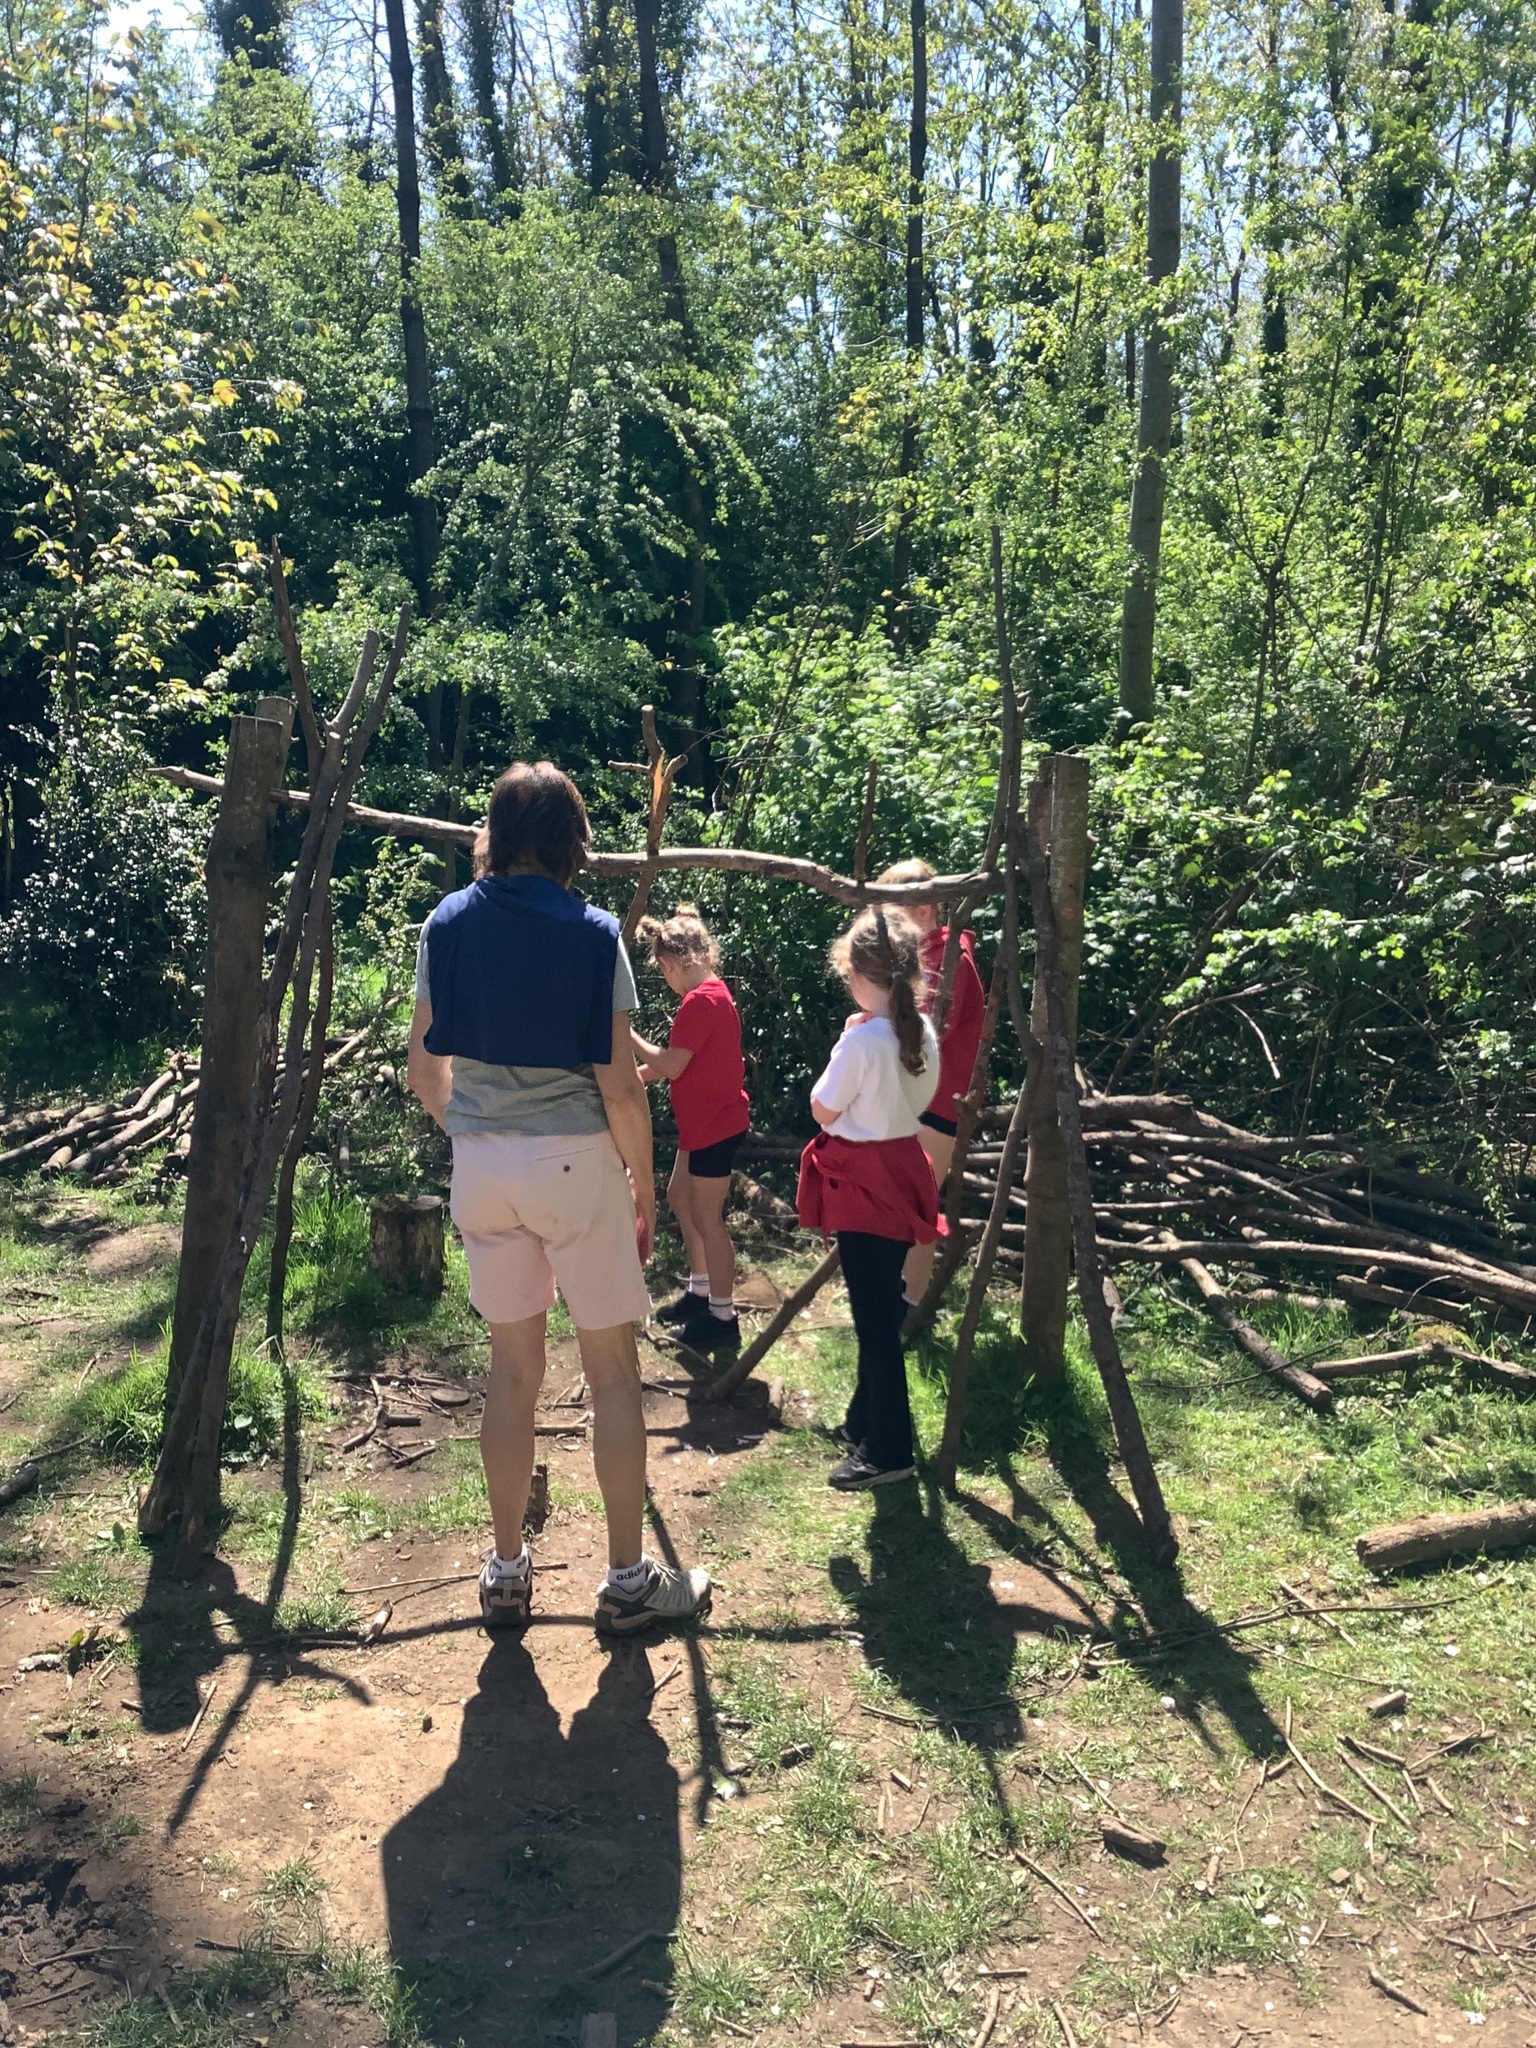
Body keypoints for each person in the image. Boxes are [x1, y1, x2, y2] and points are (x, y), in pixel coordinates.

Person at [407, 761, 711, 1637]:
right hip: (575, 1164)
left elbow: (424, 1069)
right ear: (572, 843)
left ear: (497, 836)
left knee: (512, 1371)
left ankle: (506, 1573)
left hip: (482, 1166)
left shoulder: (445, 923)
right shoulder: (593, 933)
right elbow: (619, 1088)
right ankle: (627, 1581)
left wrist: (473, 1133)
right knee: (612, 1370)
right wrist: (642, 1183)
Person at [797, 907, 940, 1490]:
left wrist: (846, 1040)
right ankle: (866, 1420)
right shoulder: (920, 1032)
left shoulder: (861, 1043)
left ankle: (889, 1450)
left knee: (874, 1322)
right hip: (904, 1168)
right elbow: (921, 1098)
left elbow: (822, 1109)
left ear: (857, 976)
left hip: (863, 1183)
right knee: (881, 1305)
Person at [630, 906, 751, 1356]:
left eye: (662, 971)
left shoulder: (702, 1001)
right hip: (702, 1125)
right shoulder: (709, 995)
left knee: (707, 1219)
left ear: (671, 963)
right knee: (680, 1197)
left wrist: (625, 1034)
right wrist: (632, 1079)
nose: (666, 979)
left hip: (715, 1126)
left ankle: (722, 1316)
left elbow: (670, 1064)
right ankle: (700, 1292)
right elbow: (674, 1064)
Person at [875, 860, 986, 1309]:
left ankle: (911, 1305)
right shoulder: (923, 958)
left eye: (892, 914)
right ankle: (895, 1293)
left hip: (937, 1105)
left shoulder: (949, 959)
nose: (885, 927)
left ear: (922, 909)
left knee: (917, 1204)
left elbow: (927, 1028)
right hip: (917, 1099)